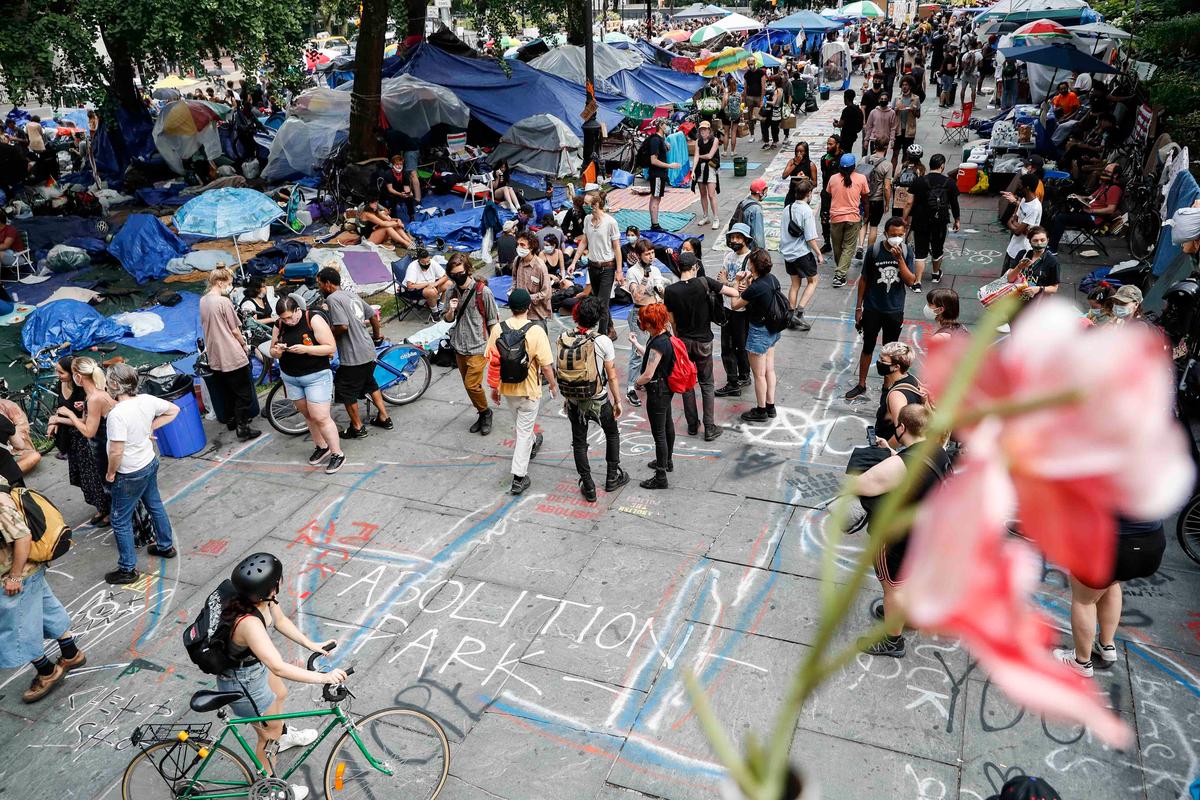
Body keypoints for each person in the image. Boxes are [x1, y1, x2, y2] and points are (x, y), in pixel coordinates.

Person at [216, 553, 348, 800]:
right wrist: (325, 677)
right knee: (268, 734)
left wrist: (311, 644)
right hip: (243, 682)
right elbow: (279, 667)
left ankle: (283, 737)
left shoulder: (261, 598)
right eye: (277, 581)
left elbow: (280, 620)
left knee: (281, 694)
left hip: (252, 668)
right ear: (269, 587)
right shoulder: (248, 624)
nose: (280, 584)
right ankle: (269, 790)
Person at [853, 403, 950, 658]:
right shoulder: (938, 450)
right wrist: (892, 454)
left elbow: (863, 485)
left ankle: (892, 641)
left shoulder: (904, 463)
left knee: (893, 586)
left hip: (897, 537)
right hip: (926, 532)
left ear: (901, 426)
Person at [0, 486, 86, 703]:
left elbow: (22, 538)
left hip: (16, 575)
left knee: (19, 629)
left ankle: (47, 672)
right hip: (29, 571)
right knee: (47, 610)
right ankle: (71, 654)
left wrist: (15, 577)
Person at [1055, 515, 1166, 678]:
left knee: (1084, 601)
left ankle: (1081, 662)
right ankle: (1106, 645)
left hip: (1110, 544)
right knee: (1113, 583)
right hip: (1151, 542)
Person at [103, 362, 179, 585]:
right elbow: (174, 410)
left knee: (119, 519)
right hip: (148, 461)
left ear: (115, 384)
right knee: (154, 504)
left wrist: (110, 472)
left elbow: (116, 450)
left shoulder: (117, 414)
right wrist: (151, 427)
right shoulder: (146, 400)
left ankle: (128, 568)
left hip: (129, 471)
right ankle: (165, 545)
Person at [485, 289, 557, 495]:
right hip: (529, 390)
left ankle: (535, 441)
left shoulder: (498, 329)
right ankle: (519, 476)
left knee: (521, 424)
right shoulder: (536, 332)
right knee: (523, 432)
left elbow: (493, 361)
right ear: (528, 307)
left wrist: (495, 388)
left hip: (508, 390)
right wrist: (552, 385)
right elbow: (546, 366)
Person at [559, 297, 629, 501]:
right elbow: (612, 374)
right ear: (597, 319)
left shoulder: (564, 337)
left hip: (574, 401)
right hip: (598, 399)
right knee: (612, 434)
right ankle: (611, 477)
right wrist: (617, 401)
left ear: (576, 316)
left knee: (579, 442)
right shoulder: (602, 341)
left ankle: (588, 486)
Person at [665, 251, 736, 442]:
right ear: (695, 267)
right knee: (707, 383)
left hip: (683, 342)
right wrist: (735, 282)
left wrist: (678, 336)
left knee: (687, 382)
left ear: (679, 268)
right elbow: (733, 293)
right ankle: (710, 426)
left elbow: (671, 321)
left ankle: (692, 425)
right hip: (704, 340)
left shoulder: (671, 291)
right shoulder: (704, 282)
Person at [269, 296, 344, 474]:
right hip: (291, 377)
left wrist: (306, 349)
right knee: (308, 415)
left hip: (316, 376)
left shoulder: (313, 319)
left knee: (321, 417)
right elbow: (273, 350)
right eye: (283, 319)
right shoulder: (279, 325)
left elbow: (330, 347)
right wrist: (277, 351)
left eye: (290, 317)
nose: (287, 321)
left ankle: (337, 453)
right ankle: (321, 446)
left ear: (297, 311)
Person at [316, 268, 392, 440]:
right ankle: (384, 417)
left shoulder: (332, 298)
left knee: (345, 390)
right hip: (367, 349)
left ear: (328, 284)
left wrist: (327, 335)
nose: (319, 287)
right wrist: (377, 336)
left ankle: (357, 427)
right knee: (370, 383)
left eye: (319, 283)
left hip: (353, 355)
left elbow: (342, 326)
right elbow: (373, 315)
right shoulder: (351, 295)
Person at [847, 218, 916, 401]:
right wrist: (858, 307)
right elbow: (864, 279)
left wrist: (899, 259)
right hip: (873, 308)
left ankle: (887, 385)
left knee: (890, 351)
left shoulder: (907, 252)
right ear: (886, 234)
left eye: (900, 235)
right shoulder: (874, 251)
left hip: (894, 310)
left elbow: (911, 281)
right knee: (868, 346)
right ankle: (861, 384)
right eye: (893, 235)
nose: (897, 238)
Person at [200, 268, 262, 441]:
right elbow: (235, 329)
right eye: (228, 283)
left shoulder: (203, 301)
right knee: (244, 392)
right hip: (231, 353)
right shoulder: (223, 302)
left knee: (227, 390)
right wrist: (244, 345)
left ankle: (232, 420)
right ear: (220, 283)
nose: (230, 287)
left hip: (215, 353)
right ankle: (243, 427)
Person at [46, 356, 109, 524]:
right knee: (83, 478)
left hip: (86, 440)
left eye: (61, 372)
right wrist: (55, 421)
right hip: (70, 439)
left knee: (95, 476)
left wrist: (62, 418)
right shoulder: (62, 385)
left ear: (76, 375)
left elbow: (86, 424)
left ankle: (107, 509)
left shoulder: (87, 392)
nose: (58, 375)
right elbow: (61, 409)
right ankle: (100, 508)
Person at [443, 254, 500, 435]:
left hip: (479, 345)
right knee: (470, 385)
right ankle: (482, 413)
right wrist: (452, 310)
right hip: (459, 345)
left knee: (471, 385)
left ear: (468, 270)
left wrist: (495, 346)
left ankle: (486, 412)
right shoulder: (451, 291)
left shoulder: (483, 291)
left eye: (460, 273)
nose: (457, 277)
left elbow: (493, 320)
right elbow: (446, 319)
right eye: (453, 274)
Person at [733, 249, 783, 423]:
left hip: (758, 332)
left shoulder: (755, 287)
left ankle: (761, 410)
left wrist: (737, 282)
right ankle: (771, 405)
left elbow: (735, 305)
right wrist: (749, 283)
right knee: (770, 369)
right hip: (772, 329)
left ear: (752, 265)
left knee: (758, 375)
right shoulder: (772, 279)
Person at [630, 304, 676, 489]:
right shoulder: (663, 336)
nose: (641, 323)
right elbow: (652, 357)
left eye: (644, 320)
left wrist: (637, 384)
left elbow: (649, 373)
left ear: (650, 323)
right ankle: (667, 461)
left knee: (659, 434)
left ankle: (661, 475)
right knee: (667, 424)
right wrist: (636, 345)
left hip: (658, 391)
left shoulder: (659, 343)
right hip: (665, 388)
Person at [570, 191, 625, 336]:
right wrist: (574, 262)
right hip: (592, 266)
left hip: (607, 267)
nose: (584, 206)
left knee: (601, 303)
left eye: (587, 204)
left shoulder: (610, 222)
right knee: (600, 300)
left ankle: (601, 335)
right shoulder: (587, 219)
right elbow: (584, 241)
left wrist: (619, 270)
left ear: (595, 205)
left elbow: (617, 247)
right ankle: (611, 327)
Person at [906, 153, 960, 290]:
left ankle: (917, 282)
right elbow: (954, 204)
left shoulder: (918, 181)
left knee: (920, 251)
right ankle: (935, 274)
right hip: (940, 221)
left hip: (920, 221)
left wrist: (904, 218)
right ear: (942, 166)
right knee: (937, 248)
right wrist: (957, 220)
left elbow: (909, 202)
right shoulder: (950, 183)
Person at [624, 239, 669, 400]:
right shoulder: (632, 272)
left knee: (662, 346)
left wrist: (661, 290)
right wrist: (645, 279)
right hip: (641, 313)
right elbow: (636, 296)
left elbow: (663, 294)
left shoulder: (656, 270)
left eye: (652, 253)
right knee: (638, 350)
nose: (651, 257)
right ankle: (631, 386)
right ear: (638, 255)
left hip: (656, 311)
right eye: (647, 254)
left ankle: (654, 376)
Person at [1046, 162, 1123, 253]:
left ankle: (1052, 248)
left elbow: (1111, 209)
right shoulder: (1105, 184)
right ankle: (1048, 240)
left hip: (1094, 218)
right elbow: (1091, 197)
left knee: (1061, 218)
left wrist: (1092, 211)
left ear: (1115, 175)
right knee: (1058, 208)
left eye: (1108, 172)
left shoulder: (1114, 189)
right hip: (1087, 210)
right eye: (1104, 171)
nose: (1104, 173)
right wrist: (1077, 197)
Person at [716, 224, 755, 398]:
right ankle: (737, 377)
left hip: (741, 308)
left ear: (746, 239)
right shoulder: (729, 256)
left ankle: (740, 377)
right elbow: (721, 277)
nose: (734, 241)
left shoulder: (750, 259)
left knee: (738, 345)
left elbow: (744, 286)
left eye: (738, 237)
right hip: (726, 307)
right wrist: (731, 284)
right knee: (728, 345)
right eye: (732, 237)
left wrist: (728, 283)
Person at [780, 178, 823, 331]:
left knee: (795, 284)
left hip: (787, 253)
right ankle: (800, 312)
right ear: (809, 194)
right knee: (813, 280)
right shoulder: (807, 211)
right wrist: (818, 254)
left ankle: (790, 316)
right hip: (801, 253)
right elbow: (810, 237)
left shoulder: (788, 208)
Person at [828, 153, 871, 289]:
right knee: (848, 248)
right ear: (854, 167)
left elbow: (829, 194)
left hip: (835, 218)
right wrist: (866, 215)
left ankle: (840, 271)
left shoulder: (833, 179)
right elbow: (865, 199)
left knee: (837, 247)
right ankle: (840, 275)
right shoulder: (861, 178)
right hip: (853, 218)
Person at [873, 342, 925, 445]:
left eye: (883, 360)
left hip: (886, 446)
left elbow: (901, 433)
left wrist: (886, 450)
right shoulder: (911, 378)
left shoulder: (896, 396)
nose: (878, 362)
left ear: (896, 367)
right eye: (879, 358)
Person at [1001, 173, 1042, 274]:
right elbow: (1013, 219)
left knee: (1011, 281)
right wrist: (1016, 224)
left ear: (1027, 188)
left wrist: (1013, 224)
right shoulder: (1024, 200)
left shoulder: (1034, 208)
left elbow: (1017, 231)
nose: (1018, 187)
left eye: (1020, 185)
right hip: (1012, 247)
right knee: (1003, 278)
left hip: (1022, 252)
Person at [511, 231, 553, 329]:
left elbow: (546, 293)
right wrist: (513, 291)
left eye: (522, 245)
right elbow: (514, 278)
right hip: (520, 313)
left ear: (531, 247)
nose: (519, 248)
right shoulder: (517, 261)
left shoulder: (540, 267)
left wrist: (527, 298)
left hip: (536, 315)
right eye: (518, 244)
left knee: (538, 342)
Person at [859, 139, 894, 254]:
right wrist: (887, 203)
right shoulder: (887, 165)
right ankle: (869, 251)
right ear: (886, 148)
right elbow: (887, 187)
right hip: (877, 200)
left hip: (864, 198)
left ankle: (860, 246)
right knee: (874, 226)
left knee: (864, 222)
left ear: (874, 146)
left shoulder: (864, 159)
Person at [646, 118, 681, 232]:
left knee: (655, 198)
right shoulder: (655, 140)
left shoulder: (660, 139)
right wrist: (670, 166)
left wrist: (665, 143)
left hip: (659, 174)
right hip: (657, 174)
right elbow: (653, 160)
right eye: (666, 124)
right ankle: (655, 225)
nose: (667, 126)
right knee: (656, 199)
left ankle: (654, 224)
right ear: (661, 125)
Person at [402, 247, 449, 318]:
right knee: (431, 291)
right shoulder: (413, 267)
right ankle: (435, 312)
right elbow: (410, 286)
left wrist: (435, 284)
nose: (426, 264)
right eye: (423, 263)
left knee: (449, 284)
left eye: (428, 261)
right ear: (418, 260)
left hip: (432, 285)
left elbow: (445, 276)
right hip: (416, 290)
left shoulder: (432, 262)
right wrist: (427, 284)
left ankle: (441, 308)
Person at [692, 120, 722, 230]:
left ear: (709, 130)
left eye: (705, 129)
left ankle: (716, 218)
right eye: (701, 130)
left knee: (711, 194)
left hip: (711, 167)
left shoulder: (715, 140)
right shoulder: (698, 141)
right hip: (700, 168)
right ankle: (705, 216)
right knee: (703, 194)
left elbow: (710, 156)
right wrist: (693, 170)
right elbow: (695, 156)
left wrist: (699, 156)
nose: (703, 131)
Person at [818, 135, 844, 251]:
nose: (828, 146)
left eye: (831, 144)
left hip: (839, 193)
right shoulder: (824, 158)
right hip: (826, 193)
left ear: (837, 145)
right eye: (827, 144)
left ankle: (840, 241)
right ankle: (827, 242)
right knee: (824, 216)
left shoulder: (843, 158)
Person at [892, 78, 921, 170]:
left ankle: (902, 171)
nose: (904, 87)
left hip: (909, 130)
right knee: (895, 152)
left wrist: (913, 110)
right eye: (903, 85)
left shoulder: (916, 99)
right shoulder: (897, 98)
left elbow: (918, 115)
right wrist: (896, 109)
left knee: (906, 153)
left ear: (910, 86)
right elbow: (892, 113)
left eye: (906, 85)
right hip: (898, 129)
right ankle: (892, 172)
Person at [862, 94, 897, 165]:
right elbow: (869, 127)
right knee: (873, 160)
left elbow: (893, 127)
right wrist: (866, 140)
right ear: (879, 100)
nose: (883, 101)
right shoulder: (873, 112)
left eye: (885, 99)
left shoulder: (892, 113)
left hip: (885, 141)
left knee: (881, 160)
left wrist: (892, 140)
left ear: (888, 101)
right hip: (874, 140)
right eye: (882, 99)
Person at [735, 178, 767, 250]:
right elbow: (758, 235)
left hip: (743, 243)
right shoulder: (756, 210)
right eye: (765, 191)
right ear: (760, 192)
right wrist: (761, 250)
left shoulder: (744, 202)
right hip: (750, 247)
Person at [383, 154, 416, 220]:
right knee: (392, 200)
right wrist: (400, 194)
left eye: (401, 164)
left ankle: (411, 215)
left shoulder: (405, 173)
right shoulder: (388, 174)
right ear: (393, 165)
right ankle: (393, 217)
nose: (399, 166)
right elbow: (390, 189)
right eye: (397, 164)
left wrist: (409, 193)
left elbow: (406, 186)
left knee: (409, 198)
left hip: (401, 190)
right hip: (390, 192)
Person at [837, 90, 865, 155]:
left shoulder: (846, 110)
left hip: (846, 136)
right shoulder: (857, 109)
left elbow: (840, 124)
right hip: (853, 135)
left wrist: (835, 124)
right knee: (848, 150)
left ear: (845, 98)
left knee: (844, 152)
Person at [743, 62, 765, 141]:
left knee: (761, 115)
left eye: (751, 64)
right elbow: (745, 87)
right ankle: (752, 135)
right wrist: (744, 99)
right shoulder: (747, 74)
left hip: (758, 96)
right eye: (749, 64)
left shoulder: (760, 72)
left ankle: (764, 135)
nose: (750, 65)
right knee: (750, 117)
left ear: (754, 63)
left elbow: (763, 86)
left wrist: (762, 99)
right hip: (750, 96)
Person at [759, 78, 783, 150]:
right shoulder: (781, 90)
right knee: (774, 127)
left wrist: (765, 102)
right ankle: (774, 142)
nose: (772, 83)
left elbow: (773, 103)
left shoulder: (776, 91)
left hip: (772, 112)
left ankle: (767, 143)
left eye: (773, 81)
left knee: (764, 125)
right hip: (778, 111)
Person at [722, 74, 742, 155]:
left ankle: (725, 151)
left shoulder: (726, 95)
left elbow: (723, 106)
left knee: (726, 133)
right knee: (734, 132)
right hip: (736, 115)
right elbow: (740, 105)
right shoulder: (738, 94)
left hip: (727, 115)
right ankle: (733, 151)